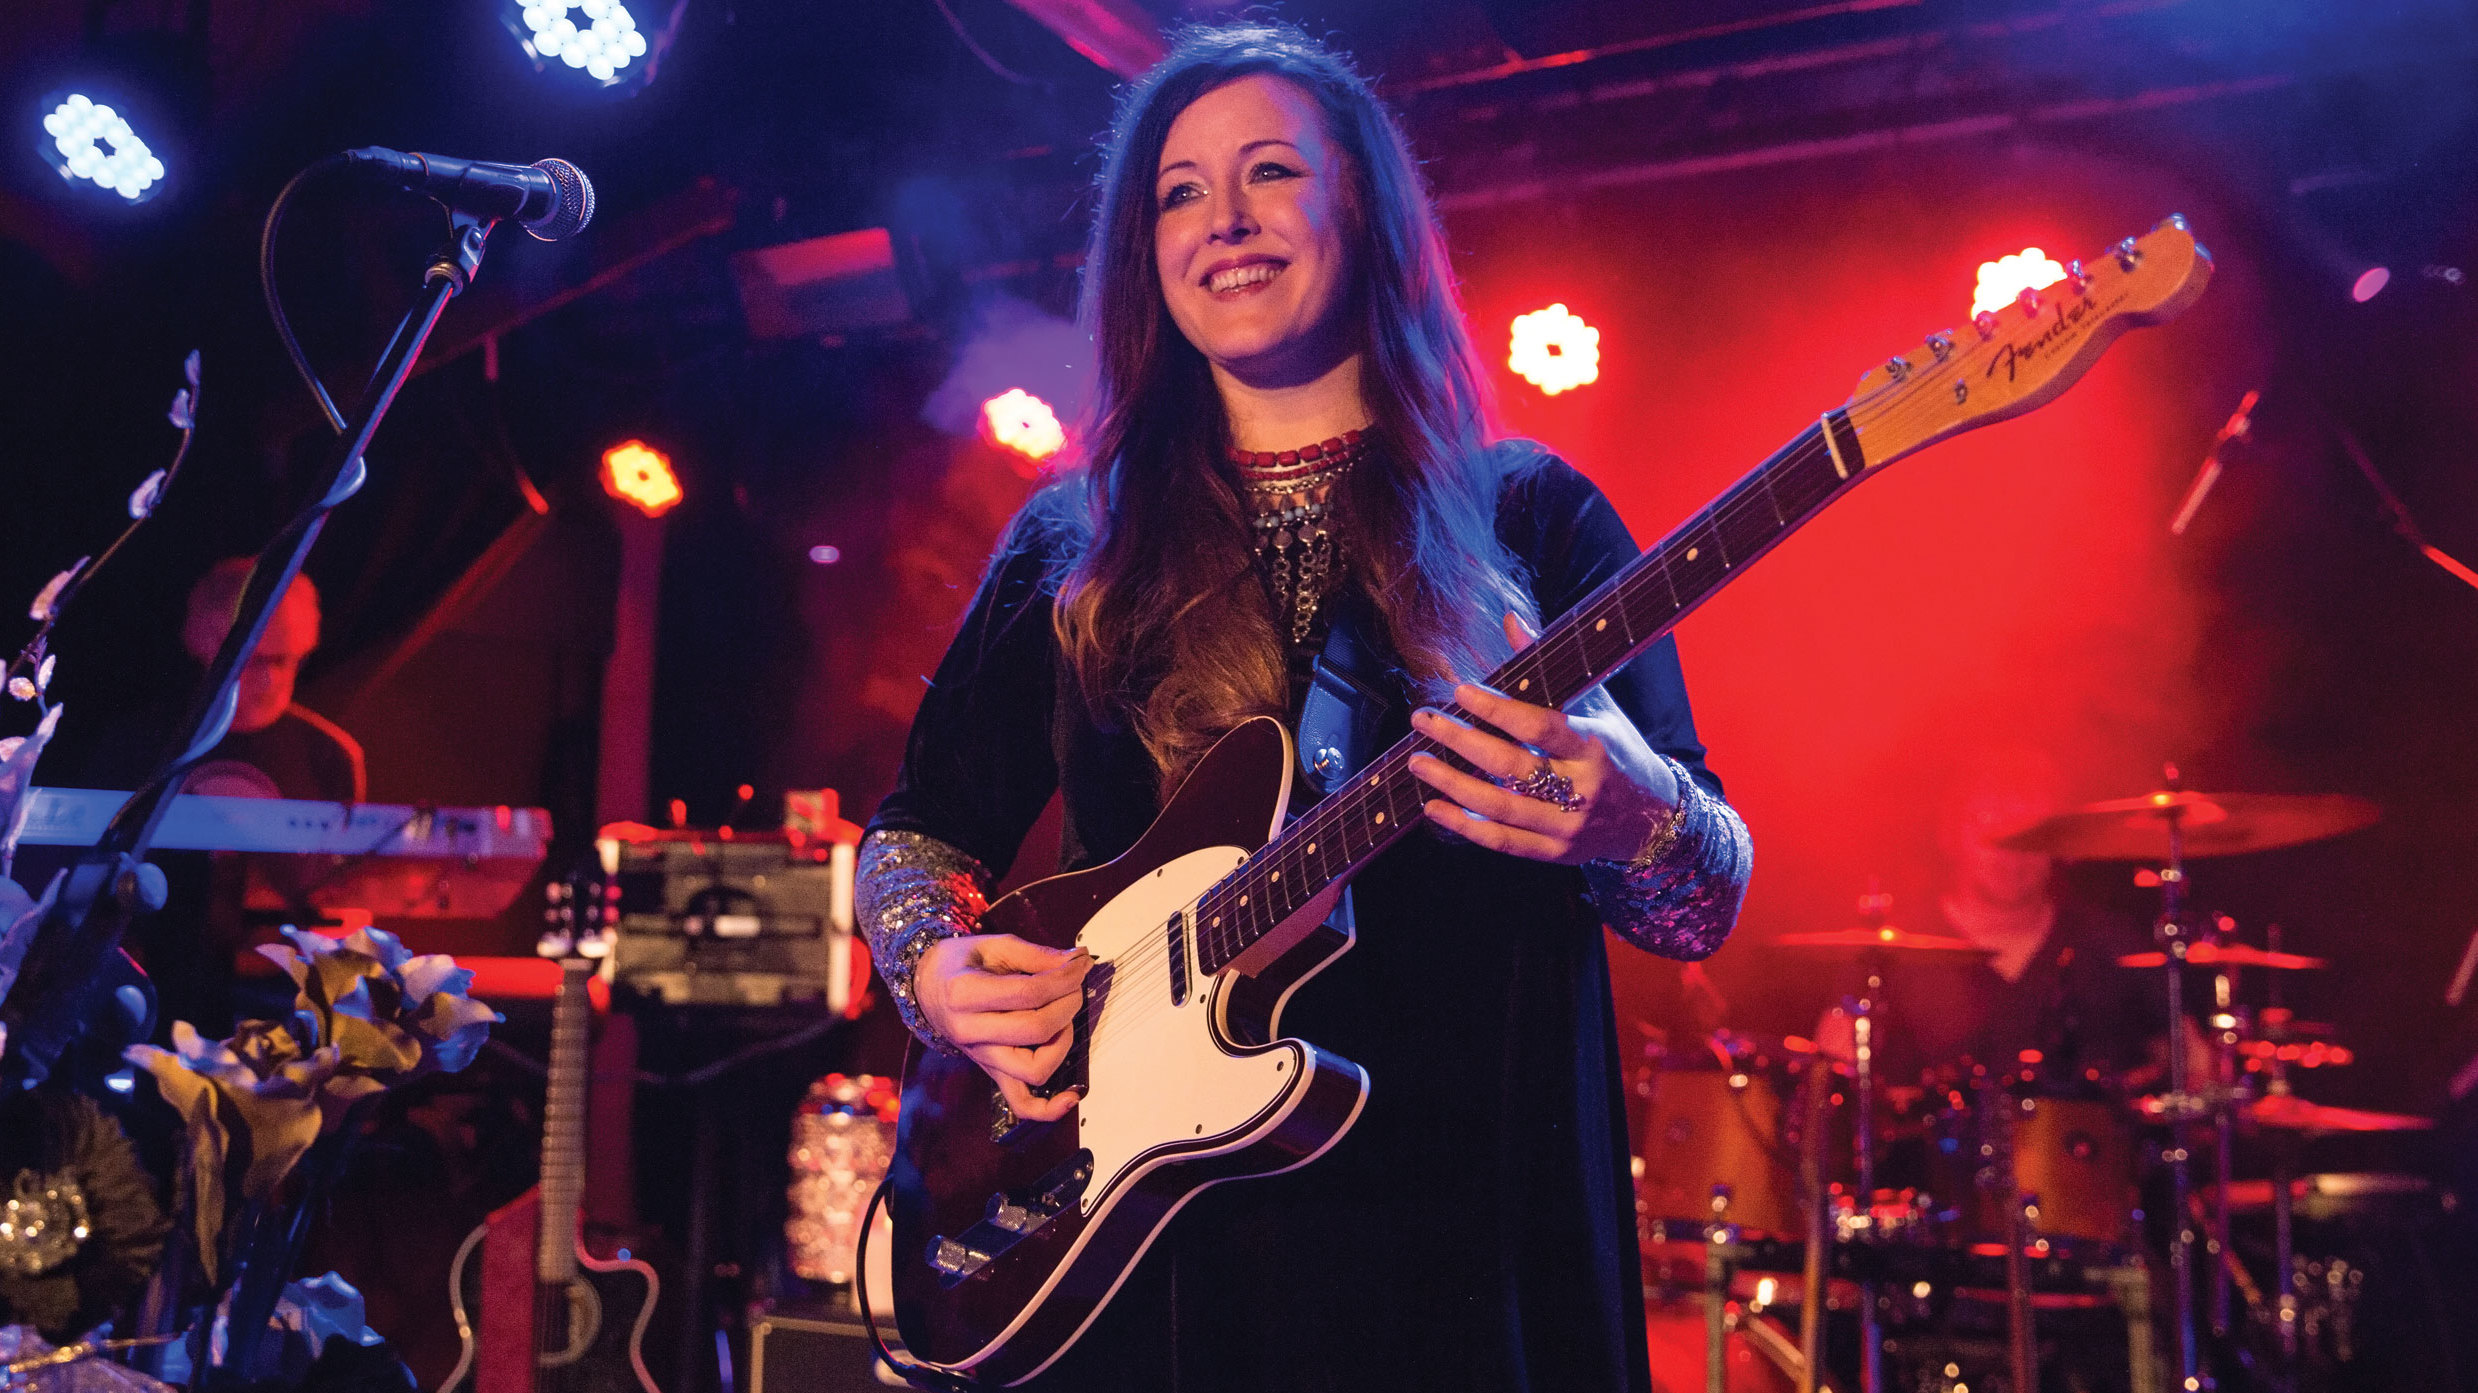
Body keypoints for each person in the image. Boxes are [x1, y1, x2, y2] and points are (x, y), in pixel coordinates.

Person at [857, 22, 1751, 1392]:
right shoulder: (1070, 543)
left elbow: (1700, 901)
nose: (1222, 219)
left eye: (1270, 172)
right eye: (1176, 191)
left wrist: (1635, 816)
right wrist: (937, 974)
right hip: (1145, 1254)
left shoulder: (1529, 512)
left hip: (1465, 1245)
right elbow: (917, 834)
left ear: (1368, 216)